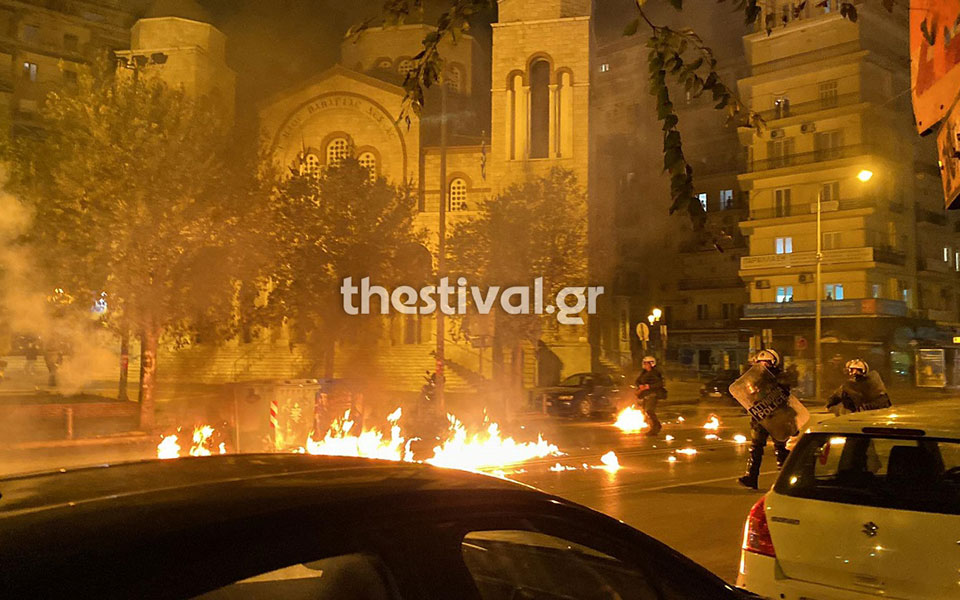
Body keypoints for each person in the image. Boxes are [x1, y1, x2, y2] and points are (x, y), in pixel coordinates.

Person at [738, 349, 791, 490]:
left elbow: (784, 394)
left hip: (777, 418)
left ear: (773, 363)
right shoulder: (754, 380)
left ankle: (785, 480)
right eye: (760, 363)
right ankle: (751, 477)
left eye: (766, 363)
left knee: (781, 449)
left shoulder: (781, 378)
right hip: (760, 418)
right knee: (755, 448)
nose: (763, 366)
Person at [826, 358, 891, 415]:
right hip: (855, 416)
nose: (854, 372)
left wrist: (861, 409)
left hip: (872, 416)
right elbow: (837, 395)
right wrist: (830, 405)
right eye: (852, 370)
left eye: (857, 370)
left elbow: (881, 401)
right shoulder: (848, 384)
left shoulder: (872, 382)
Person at [634, 356, 666, 436]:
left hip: (653, 394)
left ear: (651, 364)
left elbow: (660, 384)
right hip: (646, 394)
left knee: (649, 410)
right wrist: (640, 385)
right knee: (646, 411)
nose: (645, 365)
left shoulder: (656, 373)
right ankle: (653, 427)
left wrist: (649, 386)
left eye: (646, 363)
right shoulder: (644, 372)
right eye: (644, 363)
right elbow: (637, 381)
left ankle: (656, 427)